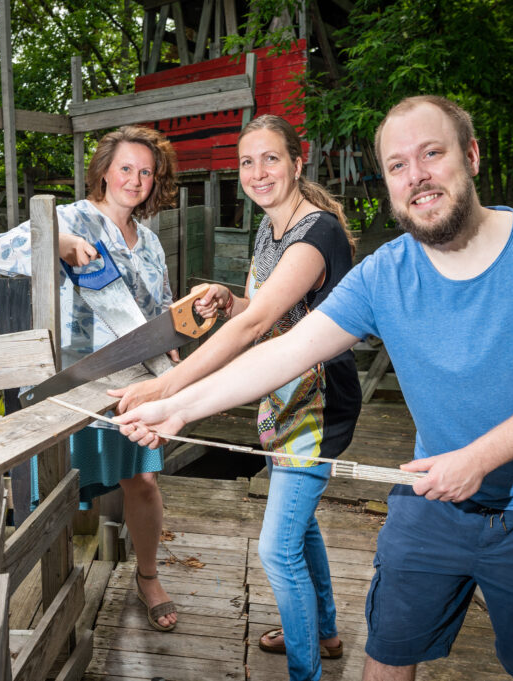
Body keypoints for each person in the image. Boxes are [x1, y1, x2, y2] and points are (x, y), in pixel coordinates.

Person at [116, 95, 513, 681]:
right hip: (433, 500)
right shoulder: (386, 273)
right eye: (398, 165)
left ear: (472, 155)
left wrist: (478, 459)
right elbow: (285, 349)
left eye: (433, 153)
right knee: (385, 655)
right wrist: (178, 407)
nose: (417, 176)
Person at [110, 114, 361, 681]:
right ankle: (322, 633)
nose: (257, 172)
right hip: (279, 391)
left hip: (319, 402)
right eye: (247, 161)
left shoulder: (315, 232)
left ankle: (306, 672)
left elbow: (258, 328)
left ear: (298, 163)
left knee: (276, 550)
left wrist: (167, 387)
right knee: (302, 525)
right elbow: (256, 311)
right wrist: (228, 298)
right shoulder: (269, 229)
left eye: (271, 158)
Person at [0, 125, 180, 632]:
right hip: (70, 381)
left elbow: (159, 314)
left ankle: (148, 575)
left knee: (142, 479)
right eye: (126, 168)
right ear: (104, 172)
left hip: (132, 379)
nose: (135, 179)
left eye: (145, 171)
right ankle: (41, 589)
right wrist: (63, 242)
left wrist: (176, 372)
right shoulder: (69, 216)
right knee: (53, 486)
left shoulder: (152, 244)